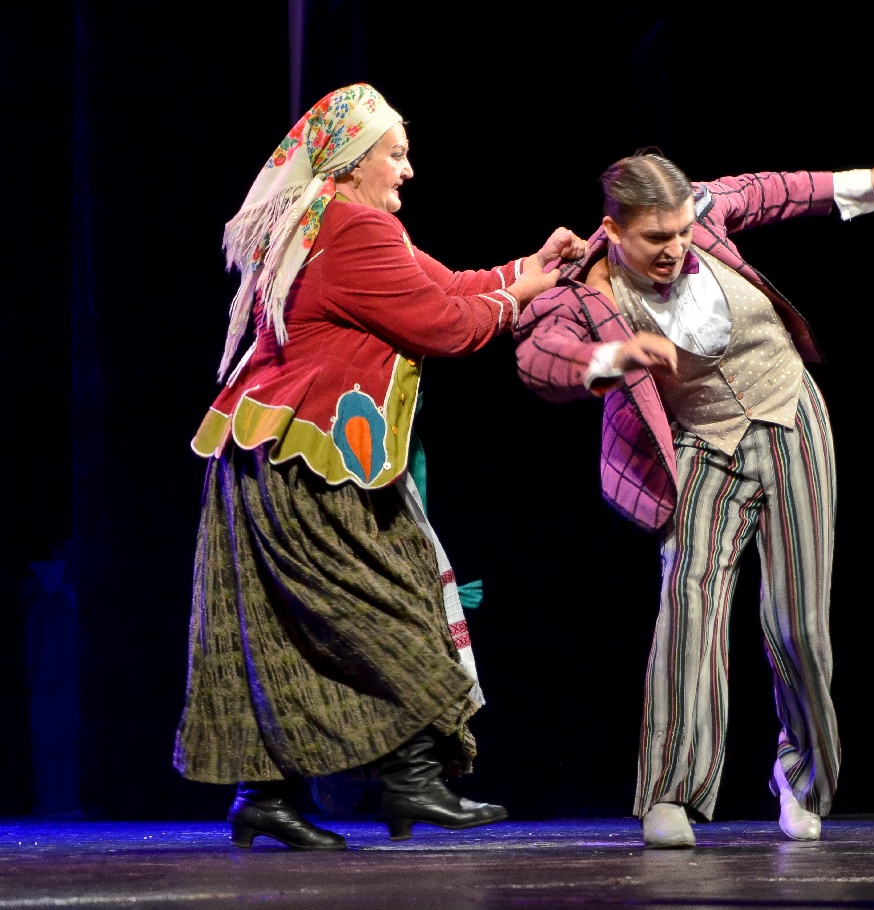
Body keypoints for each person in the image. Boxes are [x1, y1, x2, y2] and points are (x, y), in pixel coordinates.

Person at [174, 82, 586, 850]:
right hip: (304, 462)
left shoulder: (322, 218)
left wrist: (529, 267)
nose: (407, 169)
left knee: (272, 628)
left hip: (263, 451)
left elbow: (443, 285)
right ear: (354, 160)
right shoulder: (355, 227)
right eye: (395, 155)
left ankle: (265, 794)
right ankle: (410, 780)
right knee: (394, 605)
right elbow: (445, 324)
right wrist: (526, 293)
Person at [514, 150, 874, 848]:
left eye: (681, 231)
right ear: (612, 230)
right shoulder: (585, 286)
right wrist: (609, 358)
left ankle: (799, 779)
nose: (674, 247)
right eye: (656, 237)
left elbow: (773, 191)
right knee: (689, 610)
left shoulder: (704, 214)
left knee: (799, 624)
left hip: (789, 416)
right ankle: (670, 794)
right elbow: (535, 355)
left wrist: (868, 181)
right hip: (702, 446)